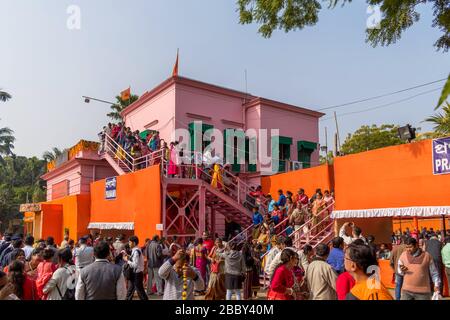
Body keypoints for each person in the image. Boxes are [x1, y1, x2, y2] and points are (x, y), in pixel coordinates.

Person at [123, 236, 148, 300]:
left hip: (137, 274)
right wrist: (129, 257)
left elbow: (135, 265)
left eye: (129, 242)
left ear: (134, 243)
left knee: (139, 291)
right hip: (136, 274)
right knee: (131, 290)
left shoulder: (136, 251)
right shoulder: (136, 250)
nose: (129, 244)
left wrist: (127, 260)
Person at [390, 235, 407, 300]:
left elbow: (391, 260)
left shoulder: (395, 248)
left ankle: (398, 299)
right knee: (406, 287)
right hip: (407, 270)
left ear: (401, 240)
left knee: (398, 285)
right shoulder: (409, 248)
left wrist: (394, 269)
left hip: (398, 270)